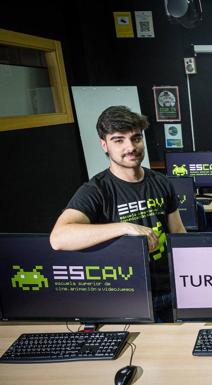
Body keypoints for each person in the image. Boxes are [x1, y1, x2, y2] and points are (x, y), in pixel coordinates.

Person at [50, 105, 186, 321]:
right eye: (118, 140)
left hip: (171, 291)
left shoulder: (162, 183)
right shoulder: (96, 190)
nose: (130, 147)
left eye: (136, 138)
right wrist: (125, 227)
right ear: (104, 145)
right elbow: (59, 238)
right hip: (129, 298)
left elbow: (178, 232)